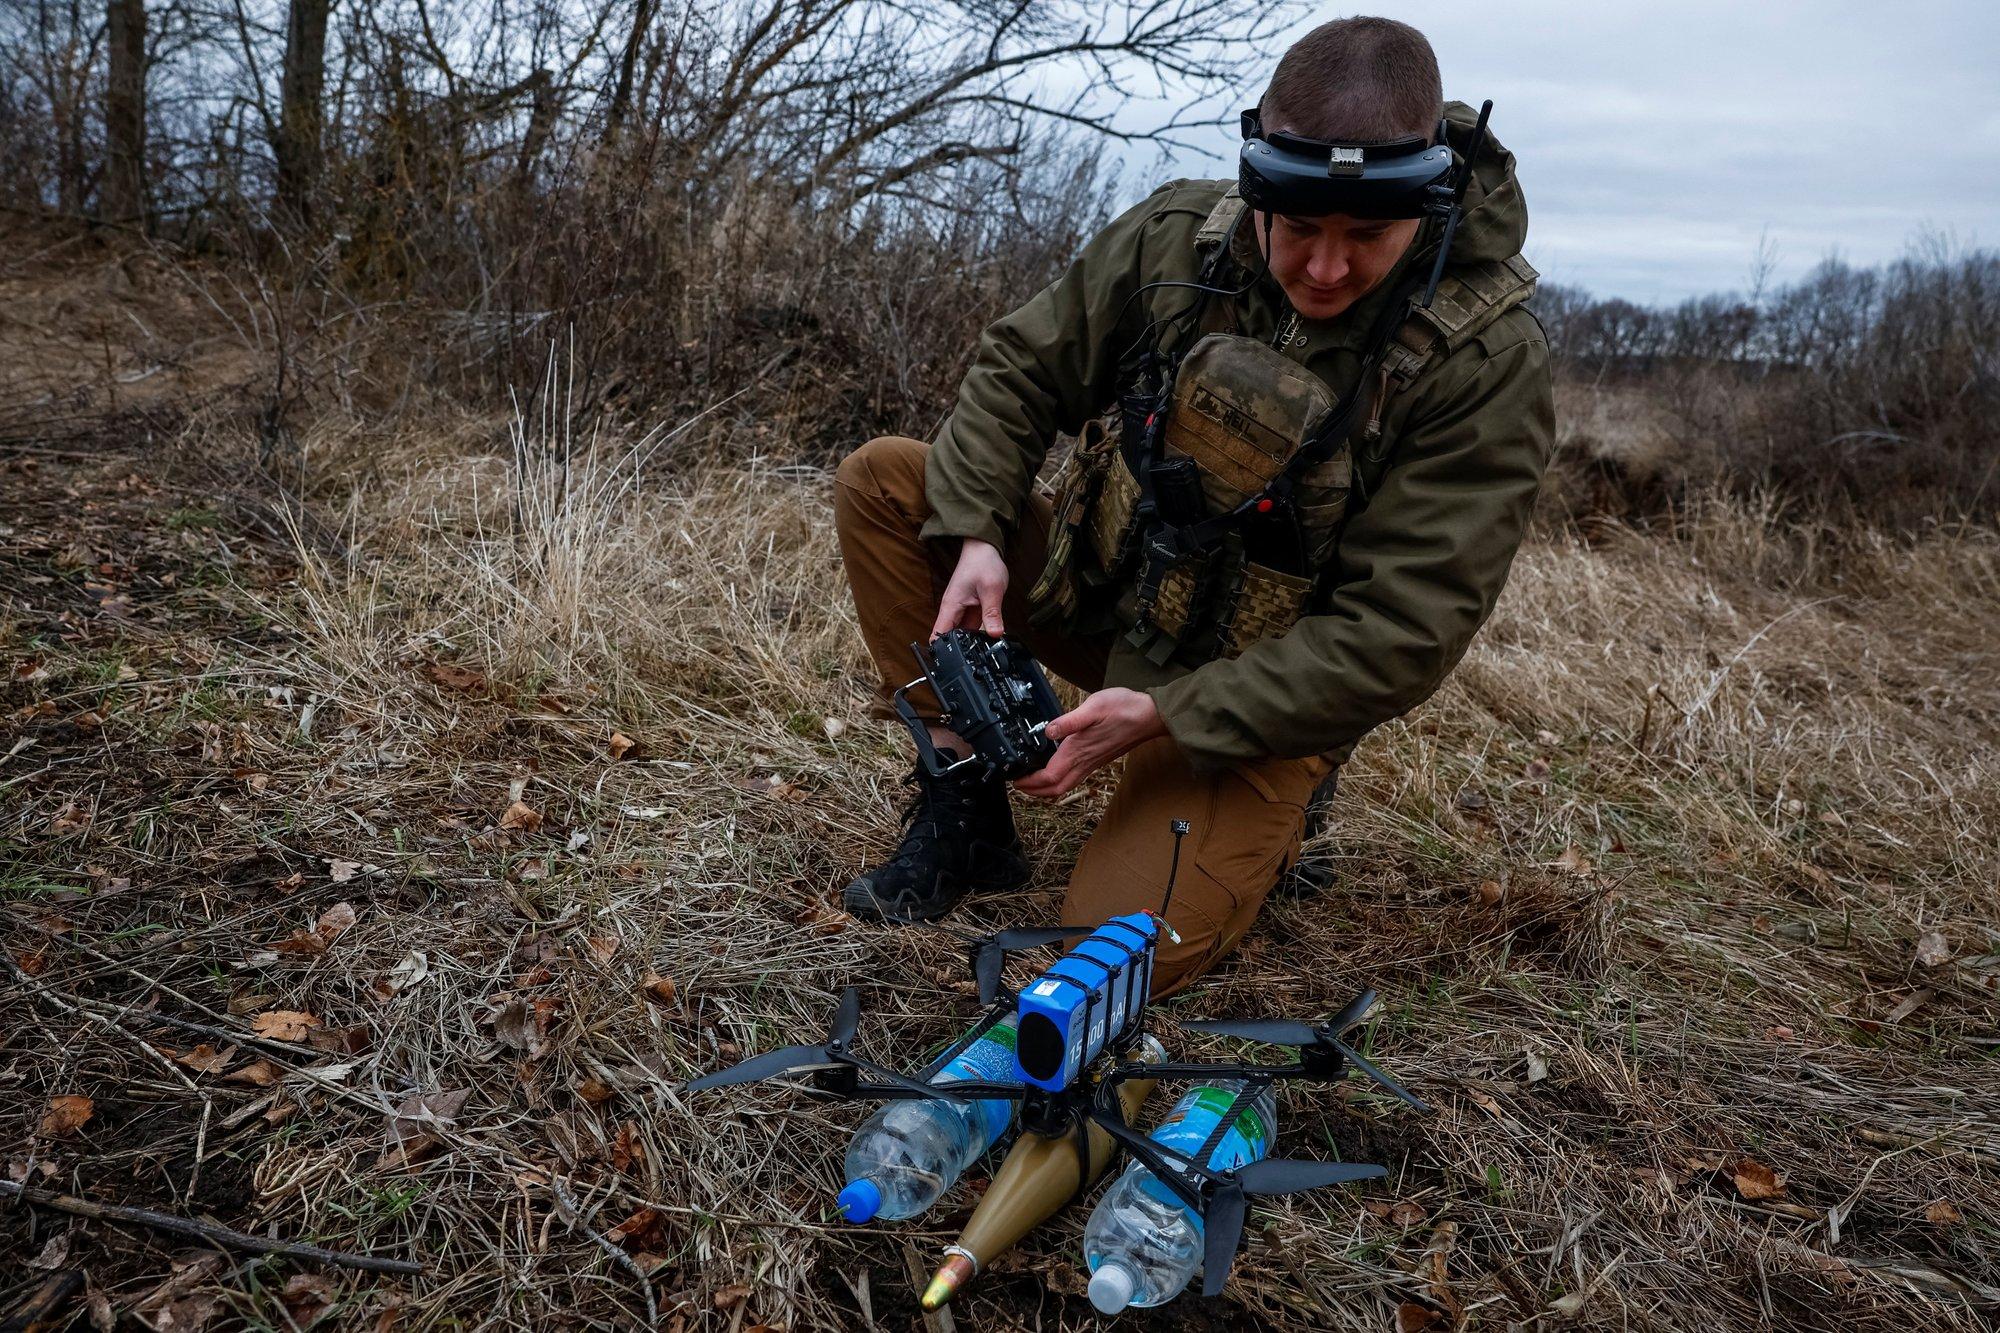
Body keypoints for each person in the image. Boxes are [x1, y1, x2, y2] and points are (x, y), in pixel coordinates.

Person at [831, 16, 1553, 997]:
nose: (1326, 270)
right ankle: (964, 809)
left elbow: (1399, 634)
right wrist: (975, 537)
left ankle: (1278, 812)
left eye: (1367, 237)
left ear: (1422, 208)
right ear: (1257, 190)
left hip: (1252, 695)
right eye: (1298, 228)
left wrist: (1168, 713)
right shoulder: (1179, 235)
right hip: (1113, 596)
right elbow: (1019, 369)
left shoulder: (1485, 360)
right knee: (888, 483)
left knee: (1107, 955)